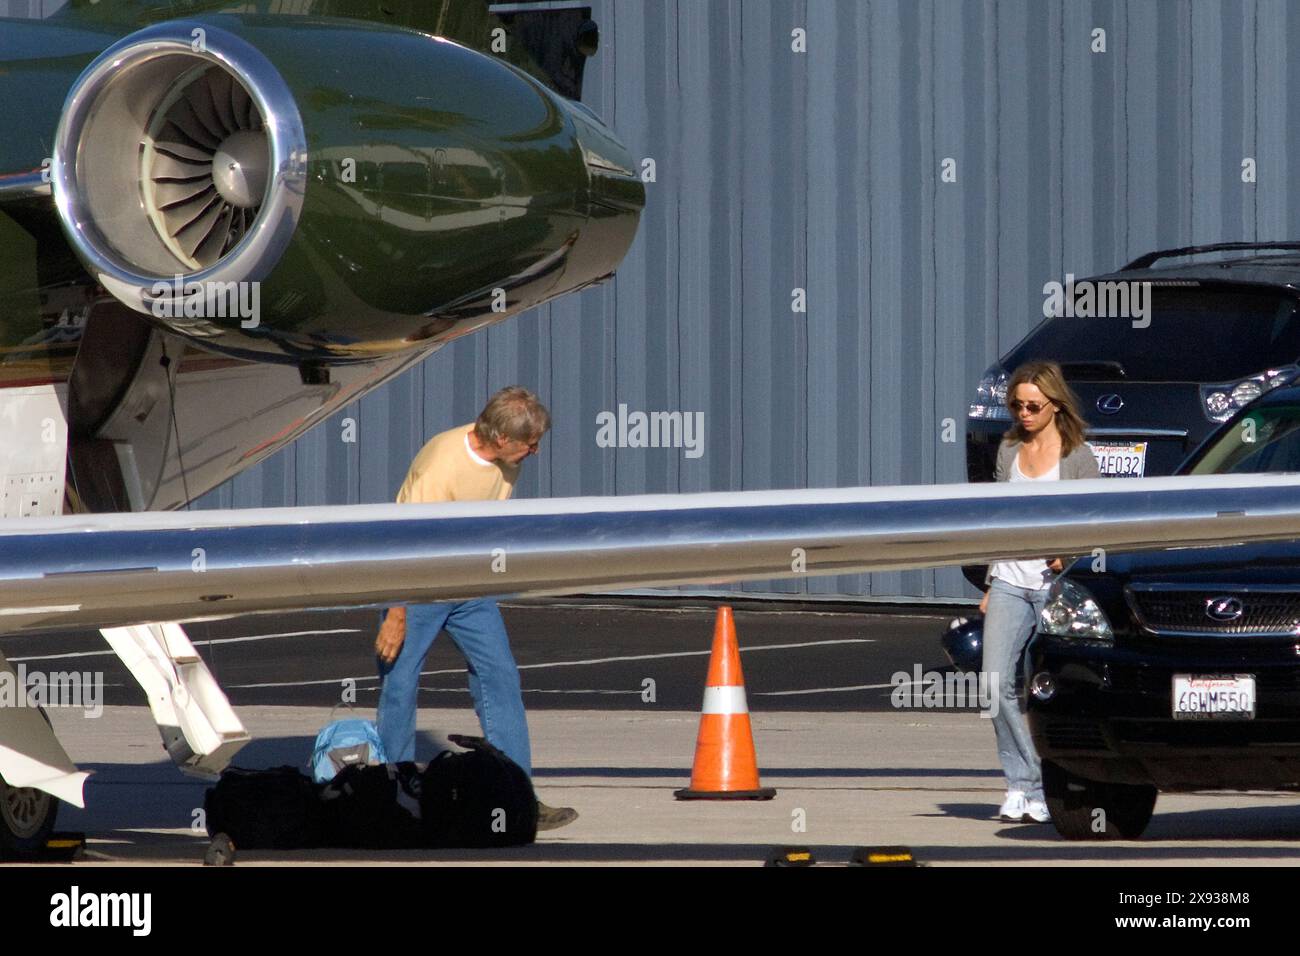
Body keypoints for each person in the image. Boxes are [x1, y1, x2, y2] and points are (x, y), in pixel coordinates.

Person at [374, 385, 577, 831]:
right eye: (530, 443)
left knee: (500, 674)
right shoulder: (441, 465)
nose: (535, 451)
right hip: (418, 583)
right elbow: (401, 541)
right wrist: (396, 611)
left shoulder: (507, 460)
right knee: (400, 683)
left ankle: (517, 794)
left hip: (469, 585)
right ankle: (390, 795)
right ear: (502, 438)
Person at [978, 360, 1099, 824]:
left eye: (1032, 405)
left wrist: (1067, 556)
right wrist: (991, 582)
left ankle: (1057, 783)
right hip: (1010, 580)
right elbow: (997, 521)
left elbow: (1096, 520)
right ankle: (1022, 784)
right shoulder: (1009, 450)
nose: (1023, 413)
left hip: (1054, 587)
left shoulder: (1077, 456)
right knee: (993, 684)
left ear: (1055, 404)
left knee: (1053, 686)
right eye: (1016, 405)